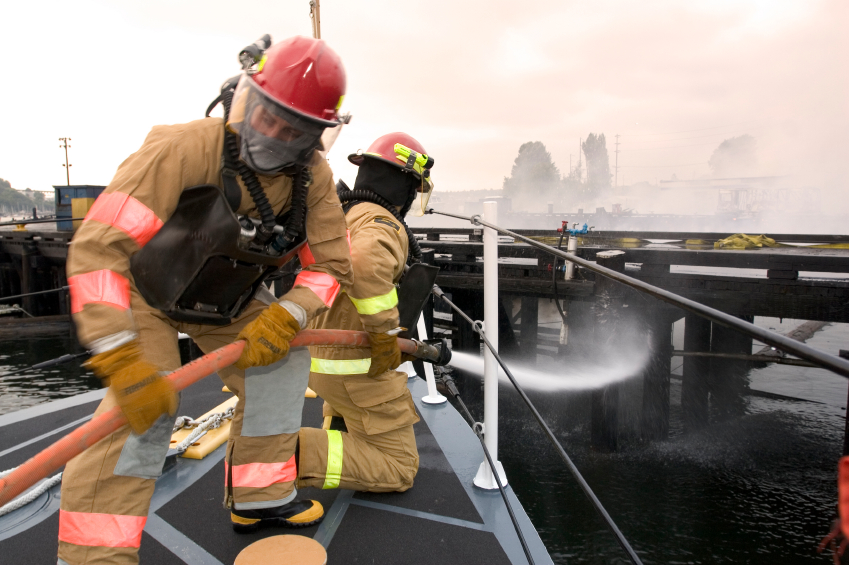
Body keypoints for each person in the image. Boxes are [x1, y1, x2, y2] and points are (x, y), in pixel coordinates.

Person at [57, 36, 354, 565]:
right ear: (245, 100)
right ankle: (93, 556)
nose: (275, 136)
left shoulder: (315, 179)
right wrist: (121, 355)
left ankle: (259, 498)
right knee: (142, 416)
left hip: (226, 297)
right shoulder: (182, 148)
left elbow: (330, 267)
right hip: (145, 292)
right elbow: (100, 248)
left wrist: (288, 315)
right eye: (268, 118)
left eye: (294, 131)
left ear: (316, 138)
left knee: (284, 365)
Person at [293, 132, 434, 495]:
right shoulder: (381, 222)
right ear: (403, 184)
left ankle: (336, 429)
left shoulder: (346, 214)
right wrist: (386, 336)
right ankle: (281, 454)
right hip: (355, 366)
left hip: (324, 360)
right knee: (400, 467)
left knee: (346, 404)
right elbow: (368, 266)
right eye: (413, 190)